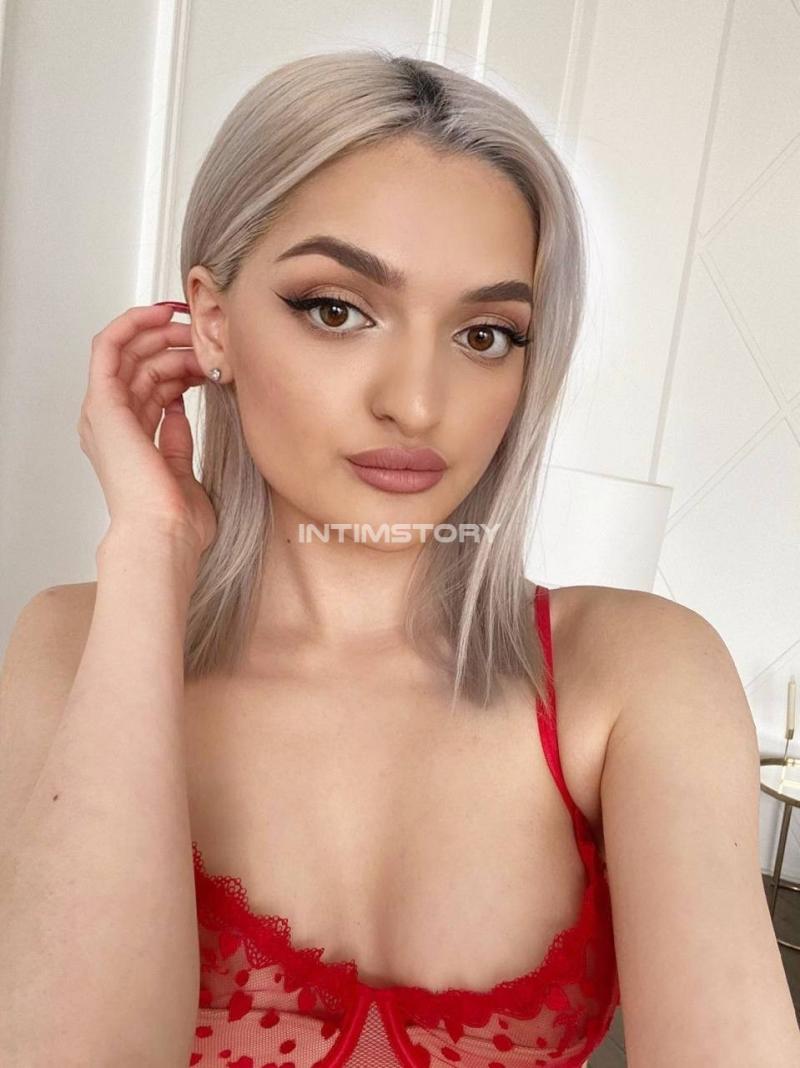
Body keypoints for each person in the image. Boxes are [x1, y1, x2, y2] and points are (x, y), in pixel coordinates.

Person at [1, 49, 797, 1068]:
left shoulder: (636, 672)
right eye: (336, 309)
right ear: (213, 322)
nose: (416, 404)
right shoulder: (75, 646)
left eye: (485, 334)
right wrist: (153, 550)